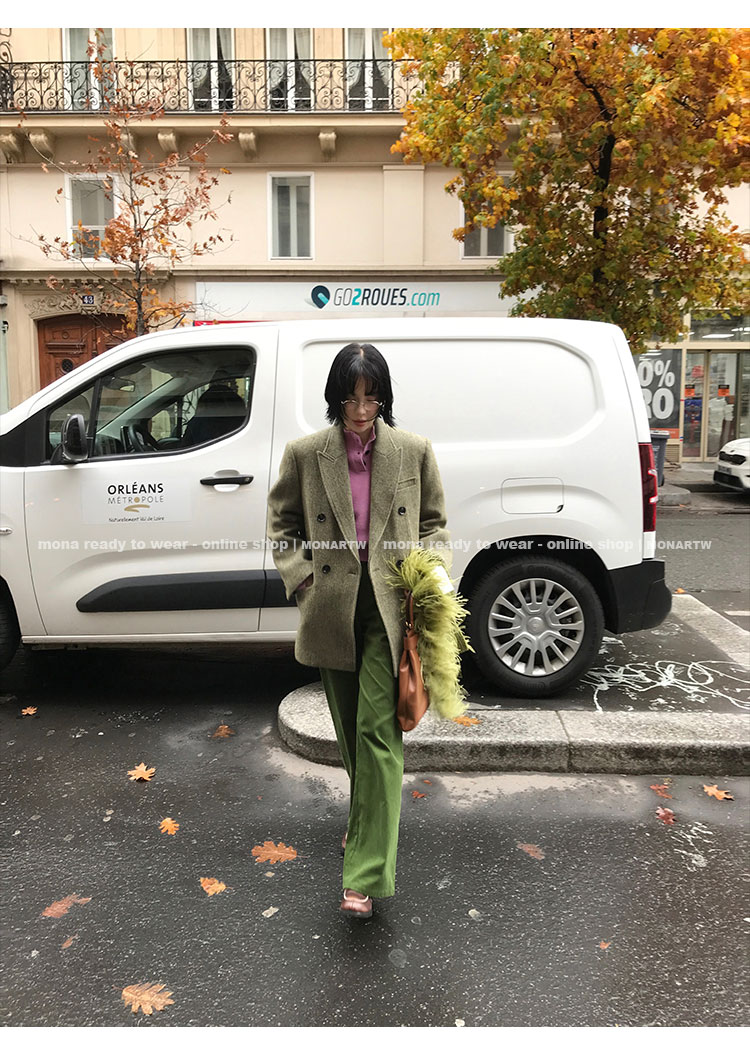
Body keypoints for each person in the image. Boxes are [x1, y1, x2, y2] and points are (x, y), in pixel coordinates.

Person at [266, 342, 453, 919]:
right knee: (350, 733)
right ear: (336, 398)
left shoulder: (413, 451)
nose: (362, 410)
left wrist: (432, 574)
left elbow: (434, 523)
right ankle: (366, 821)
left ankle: (364, 874)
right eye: (351, 398)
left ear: (384, 398)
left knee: (378, 732)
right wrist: (303, 581)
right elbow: (282, 524)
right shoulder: (306, 454)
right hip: (333, 606)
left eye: (372, 398)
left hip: (391, 606)